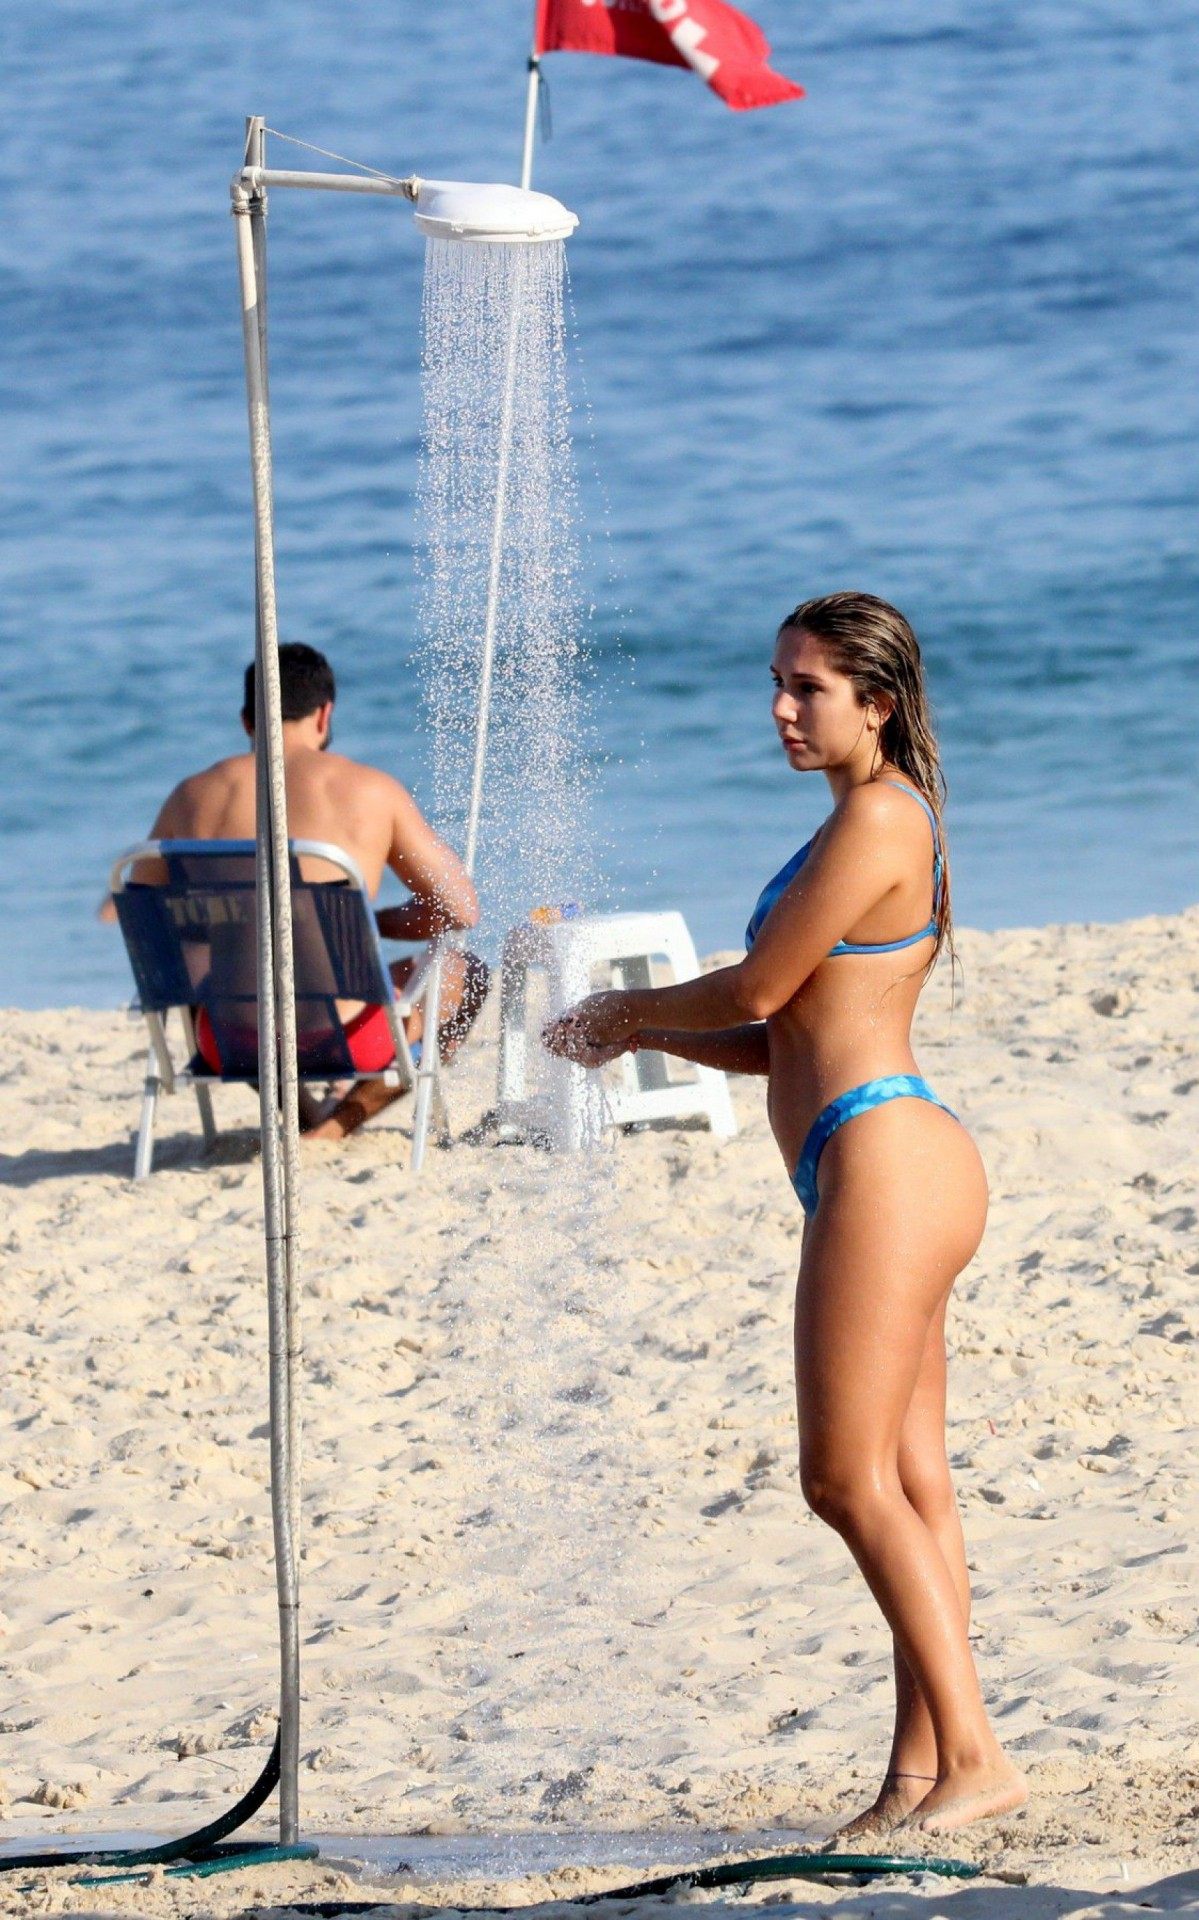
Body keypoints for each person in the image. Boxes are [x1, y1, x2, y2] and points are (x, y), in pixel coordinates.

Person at [543, 592, 1027, 1838]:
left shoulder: (878, 814)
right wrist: (641, 1039)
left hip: (886, 1154)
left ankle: (974, 1755)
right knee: (909, 1480)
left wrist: (624, 1012)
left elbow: (757, 980)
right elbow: (776, 1035)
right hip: (861, 1151)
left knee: (840, 1478)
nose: (778, 709)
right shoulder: (857, 823)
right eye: (774, 682)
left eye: (805, 688)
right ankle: (917, 1775)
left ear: (875, 702)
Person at [105, 642, 488, 1140]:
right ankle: (336, 1128)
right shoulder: (371, 790)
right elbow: (461, 910)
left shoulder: (189, 796)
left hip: (228, 1039)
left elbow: (149, 925)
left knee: (237, 977)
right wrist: (366, 922)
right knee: (468, 973)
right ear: (325, 714)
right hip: (343, 1039)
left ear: (247, 720)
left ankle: (307, 1117)